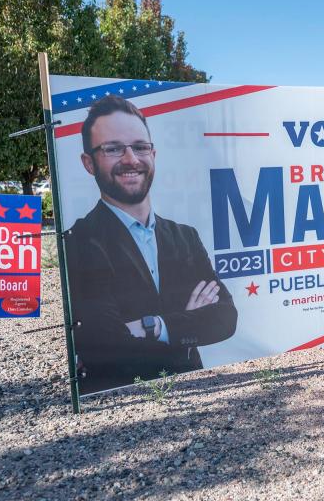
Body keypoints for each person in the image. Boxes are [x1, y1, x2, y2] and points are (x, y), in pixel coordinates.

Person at [65, 95, 237, 394]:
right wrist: (186, 325)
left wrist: (152, 326)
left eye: (140, 147)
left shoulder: (185, 236)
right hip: (120, 399)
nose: (131, 159)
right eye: (114, 149)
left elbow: (225, 317)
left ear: (153, 154)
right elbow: (103, 344)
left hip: (193, 388)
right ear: (89, 163)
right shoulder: (78, 241)